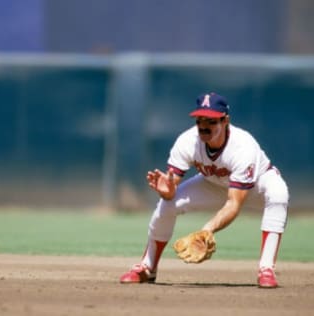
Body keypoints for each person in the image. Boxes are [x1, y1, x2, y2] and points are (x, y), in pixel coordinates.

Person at [119, 92, 289, 288]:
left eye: (211, 120)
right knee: (167, 205)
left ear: (225, 121)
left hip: (257, 185)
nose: (204, 126)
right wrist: (167, 192)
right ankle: (147, 267)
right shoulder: (187, 141)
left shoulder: (242, 147)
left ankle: (266, 269)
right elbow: (171, 190)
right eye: (200, 119)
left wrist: (206, 230)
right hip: (213, 183)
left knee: (278, 193)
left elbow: (234, 203)